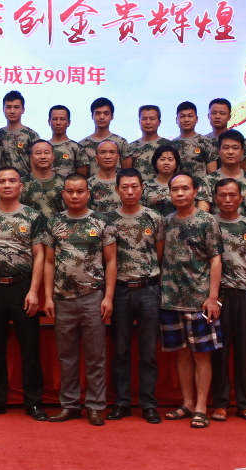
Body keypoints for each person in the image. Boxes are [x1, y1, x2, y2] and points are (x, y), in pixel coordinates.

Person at [0, 165, 49, 420]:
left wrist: (34, 291)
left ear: (20, 186)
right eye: (2, 181)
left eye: (12, 181)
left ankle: (33, 403)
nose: (7, 185)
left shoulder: (33, 216)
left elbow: (40, 256)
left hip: (23, 287)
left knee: (30, 348)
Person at [43, 174, 116, 426]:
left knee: (96, 356)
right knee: (67, 357)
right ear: (63, 194)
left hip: (93, 297)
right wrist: (48, 297)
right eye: (70, 191)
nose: (75, 196)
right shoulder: (53, 222)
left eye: (80, 191)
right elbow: (49, 262)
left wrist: (108, 297)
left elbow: (111, 261)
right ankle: (70, 405)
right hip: (62, 299)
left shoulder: (102, 221)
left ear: (88, 194)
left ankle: (95, 406)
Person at [159, 173, 222, 429]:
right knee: (182, 355)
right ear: (170, 193)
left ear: (195, 192)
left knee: (201, 356)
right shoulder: (166, 222)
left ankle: (201, 407)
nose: (180, 193)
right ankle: (186, 403)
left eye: (185, 188)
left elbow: (216, 260)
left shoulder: (207, 221)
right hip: (170, 300)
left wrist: (213, 298)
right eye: (175, 189)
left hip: (200, 301)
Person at [104, 168, 165, 423]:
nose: (130, 192)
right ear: (117, 189)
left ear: (142, 188)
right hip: (119, 291)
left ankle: (148, 403)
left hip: (149, 290)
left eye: (135, 186)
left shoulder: (154, 218)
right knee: (120, 351)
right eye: (125, 187)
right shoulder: (108, 220)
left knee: (148, 351)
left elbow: (159, 254)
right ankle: (122, 402)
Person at [208, 178, 246, 423]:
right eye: (222, 195)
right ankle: (220, 404)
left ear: (241, 198)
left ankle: (245, 404)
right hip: (218, 296)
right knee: (218, 353)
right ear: (215, 198)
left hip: (245, 293)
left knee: (244, 351)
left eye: (233, 195)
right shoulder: (208, 224)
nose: (228, 199)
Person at [201, 130, 246, 214]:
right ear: (219, 152)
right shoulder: (207, 181)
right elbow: (202, 215)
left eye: (235, 148)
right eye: (226, 148)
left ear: (242, 152)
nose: (230, 152)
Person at [0, 90, 42, 178]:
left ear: (23, 110)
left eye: (16, 107)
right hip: (1, 183)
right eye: (8, 107)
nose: (12, 111)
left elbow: (36, 164)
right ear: (3, 109)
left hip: (25, 183)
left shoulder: (31, 135)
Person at [80, 97, 131, 169]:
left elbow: (127, 173)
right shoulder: (82, 145)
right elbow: (81, 174)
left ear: (112, 117)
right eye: (97, 113)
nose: (102, 117)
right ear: (92, 116)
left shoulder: (121, 143)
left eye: (106, 114)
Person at [126, 105, 172, 184]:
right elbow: (127, 174)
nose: (148, 122)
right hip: (139, 189)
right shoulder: (131, 147)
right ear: (139, 122)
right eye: (144, 119)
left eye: (152, 119)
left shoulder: (169, 146)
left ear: (159, 122)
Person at [171, 101, 214, 184]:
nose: (186, 120)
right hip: (179, 188)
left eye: (190, 116)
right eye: (182, 116)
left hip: (201, 189)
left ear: (196, 119)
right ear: (176, 120)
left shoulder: (206, 142)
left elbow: (212, 174)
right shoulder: (171, 145)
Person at [20, 140, 65, 218]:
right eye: (38, 153)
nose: (43, 157)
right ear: (31, 158)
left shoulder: (65, 183)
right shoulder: (21, 184)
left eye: (47, 153)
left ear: (53, 156)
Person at [48, 105, 90, 179]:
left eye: (62, 119)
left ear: (68, 123)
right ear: (49, 122)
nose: (58, 123)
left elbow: (82, 179)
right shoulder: (43, 147)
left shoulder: (77, 148)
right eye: (55, 119)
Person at [139, 145, 181, 216]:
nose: (166, 163)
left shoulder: (183, 185)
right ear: (155, 163)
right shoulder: (145, 186)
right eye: (162, 159)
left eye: (170, 159)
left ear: (176, 164)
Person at [87, 140, 124, 216]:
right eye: (103, 152)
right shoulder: (88, 184)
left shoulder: (125, 182)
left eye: (112, 152)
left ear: (118, 157)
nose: (108, 156)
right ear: (96, 158)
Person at [207, 98, 234, 165]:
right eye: (214, 113)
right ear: (208, 116)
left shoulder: (236, 139)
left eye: (222, 113)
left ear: (229, 117)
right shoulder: (203, 140)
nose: (217, 116)